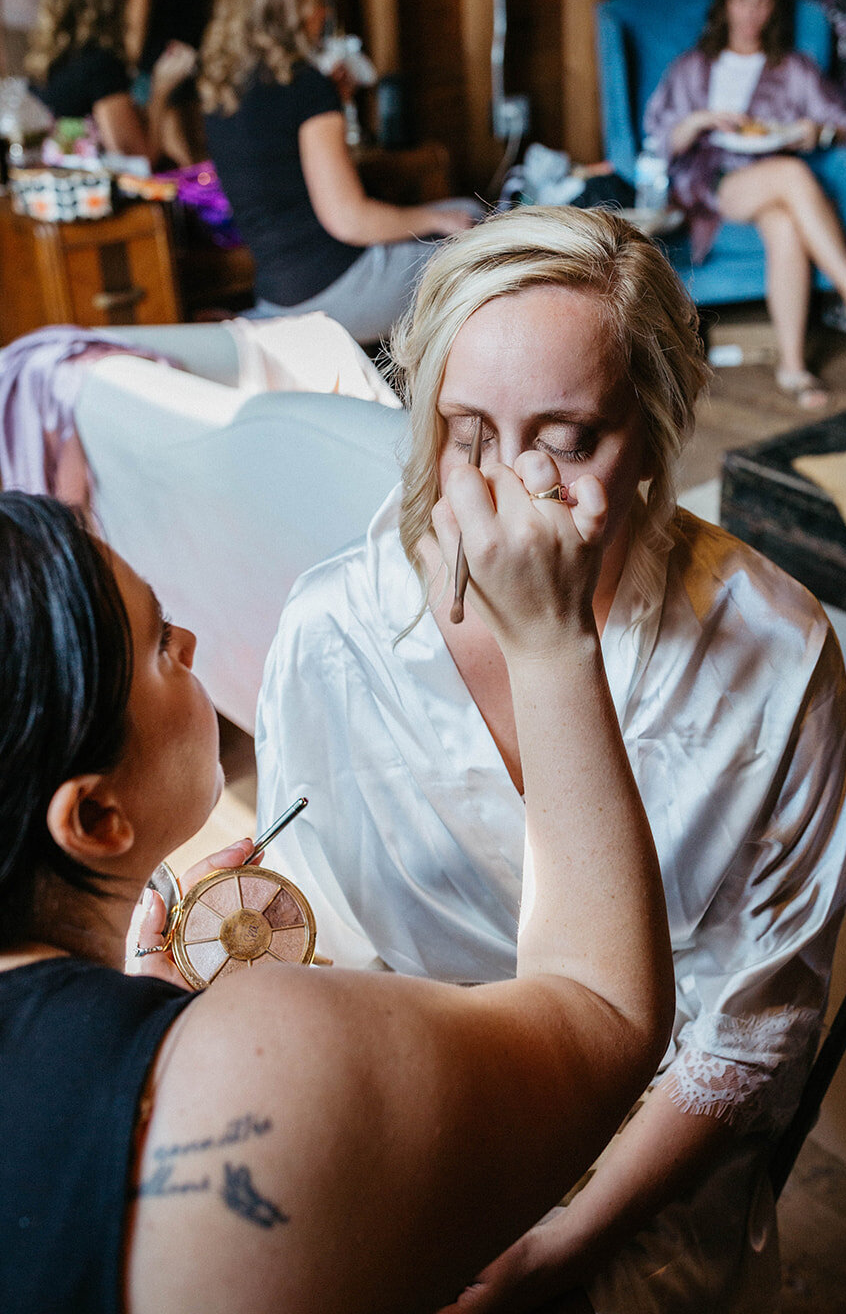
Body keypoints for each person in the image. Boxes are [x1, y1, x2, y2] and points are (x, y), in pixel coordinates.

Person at [256, 204, 846, 1314]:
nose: (500, 491)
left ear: (652, 431)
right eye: (466, 431)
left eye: (564, 437)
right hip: (406, 1135)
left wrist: (558, 1243)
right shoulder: (334, 634)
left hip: (643, 1193)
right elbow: (320, 939)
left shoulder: (772, 658)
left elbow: (749, 1030)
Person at [0, 484, 673, 1314]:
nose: (191, 638)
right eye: (159, 645)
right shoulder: (264, 1074)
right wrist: (548, 643)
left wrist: (138, 1019)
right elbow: (603, 1015)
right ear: (97, 817)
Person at [643, 0, 846, 410]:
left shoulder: (792, 68)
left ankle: (793, 366)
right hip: (712, 182)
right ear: (726, 2)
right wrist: (703, 119)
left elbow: (843, 125)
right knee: (790, 174)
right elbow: (658, 137)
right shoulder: (694, 67)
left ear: (774, 8)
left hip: (772, 185)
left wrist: (817, 130)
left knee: (785, 223)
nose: (751, 13)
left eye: (762, 1)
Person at [199, 0, 477, 347]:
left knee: (461, 216)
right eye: (316, 2)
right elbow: (348, 219)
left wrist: (332, 101)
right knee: (479, 235)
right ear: (291, 11)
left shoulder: (221, 89)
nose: (323, 14)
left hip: (279, 293)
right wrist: (437, 221)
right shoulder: (306, 86)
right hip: (335, 292)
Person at [25, 0, 191, 165]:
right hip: (100, 199)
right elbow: (136, 164)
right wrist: (161, 91)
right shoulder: (99, 64)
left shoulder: (44, 62)